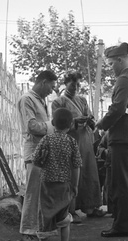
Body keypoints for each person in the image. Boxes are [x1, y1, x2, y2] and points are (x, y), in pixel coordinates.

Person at [96, 42, 128, 237]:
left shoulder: (124, 79)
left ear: (119, 60)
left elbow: (117, 108)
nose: (111, 68)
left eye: (111, 64)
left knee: (120, 181)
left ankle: (122, 226)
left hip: (122, 135)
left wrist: (101, 124)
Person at [51, 72, 106, 222]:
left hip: (85, 141)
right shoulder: (58, 102)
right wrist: (75, 121)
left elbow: (90, 117)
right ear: (65, 84)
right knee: (72, 175)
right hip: (69, 141)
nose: (75, 87)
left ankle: (91, 207)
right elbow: (57, 122)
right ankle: (70, 211)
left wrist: (90, 121)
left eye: (77, 85)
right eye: (72, 85)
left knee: (89, 172)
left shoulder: (82, 100)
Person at [32, 108, 82, 241]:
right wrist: (75, 186)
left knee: (44, 217)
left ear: (53, 123)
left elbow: (36, 161)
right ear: (71, 124)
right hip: (64, 185)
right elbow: (76, 166)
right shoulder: (72, 142)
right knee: (64, 218)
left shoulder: (46, 140)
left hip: (47, 185)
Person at [17, 70, 57, 241]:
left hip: (43, 150)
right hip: (34, 151)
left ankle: (38, 227)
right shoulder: (27, 99)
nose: (51, 91)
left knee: (41, 192)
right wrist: (52, 125)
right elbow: (32, 126)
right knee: (32, 192)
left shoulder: (40, 100)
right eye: (51, 86)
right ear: (43, 82)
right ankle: (27, 230)